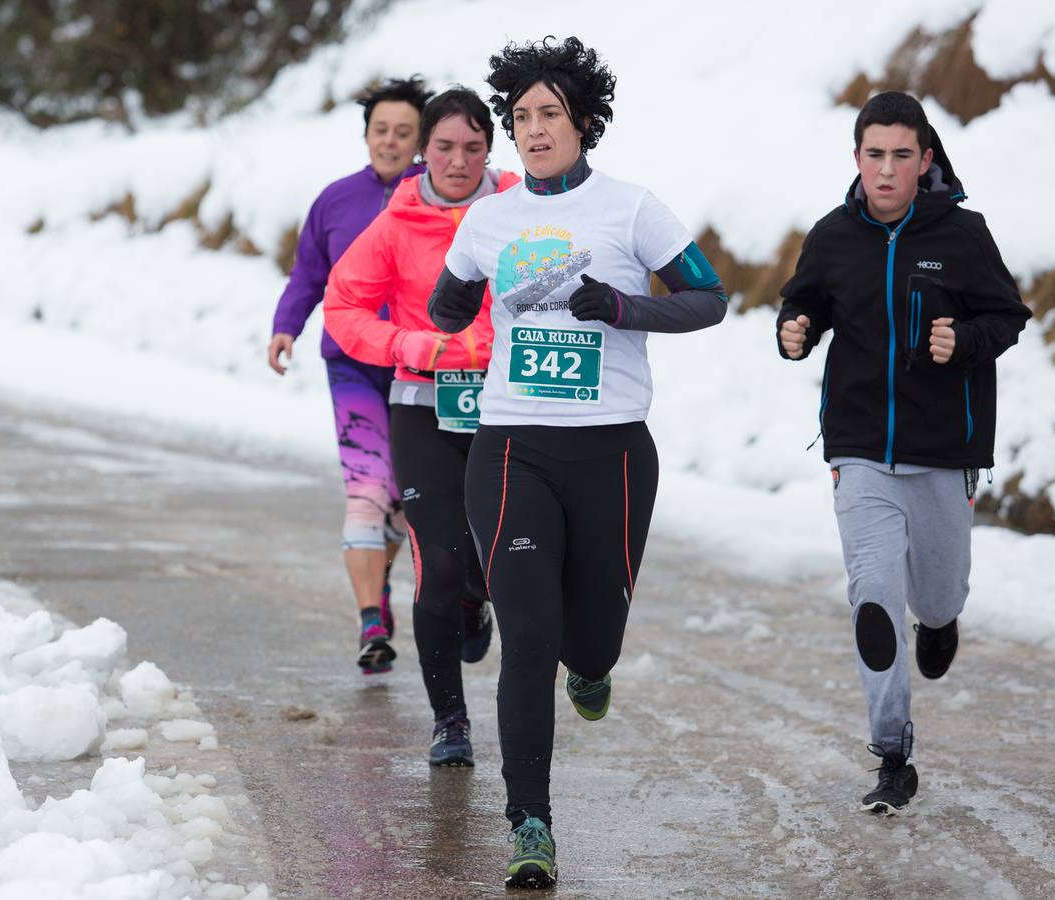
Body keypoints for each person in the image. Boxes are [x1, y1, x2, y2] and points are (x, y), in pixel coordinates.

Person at [428, 38, 728, 888]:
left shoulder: (632, 210)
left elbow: (710, 298)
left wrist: (624, 306)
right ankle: (530, 823)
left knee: (588, 641)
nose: (532, 130)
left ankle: (592, 666)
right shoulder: (490, 218)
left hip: (613, 454)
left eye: (548, 114)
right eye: (519, 118)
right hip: (512, 445)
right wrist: (452, 308)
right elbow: (448, 305)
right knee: (529, 635)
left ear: (585, 121)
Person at [775, 90, 1030, 815]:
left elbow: (1007, 315)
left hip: (943, 452)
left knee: (935, 594)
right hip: (859, 452)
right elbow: (806, 301)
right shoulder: (832, 235)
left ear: (925, 161)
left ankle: (943, 621)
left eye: (901, 156)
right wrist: (794, 328)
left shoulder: (964, 234)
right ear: (857, 159)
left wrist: (967, 341)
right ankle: (891, 752)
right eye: (874, 155)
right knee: (874, 596)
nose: (887, 170)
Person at [324, 87, 518, 768]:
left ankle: (477, 600)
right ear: (422, 150)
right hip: (424, 406)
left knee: (493, 560)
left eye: (472, 147)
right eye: (444, 147)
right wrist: (413, 346)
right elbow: (343, 307)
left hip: (510, 405)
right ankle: (450, 720)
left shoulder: (522, 211)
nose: (458, 160)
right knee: (438, 561)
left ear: (490, 148)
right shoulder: (397, 221)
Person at [267, 77, 430, 674]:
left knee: (406, 500)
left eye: (403, 132)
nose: (389, 141)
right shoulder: (335, 200)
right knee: (366, 490)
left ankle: (384, 587)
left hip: (422, 366)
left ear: (420, 141)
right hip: (353, 364)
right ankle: (370, 619)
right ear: (366, 134)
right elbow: (309, 273)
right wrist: (288, 324)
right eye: (380, 130)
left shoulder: (435, 197)